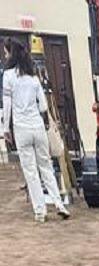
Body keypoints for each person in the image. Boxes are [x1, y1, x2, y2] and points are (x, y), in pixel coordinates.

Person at [1, 39, 70, 222]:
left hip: (21, 128)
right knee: (46, 166)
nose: (5, 56)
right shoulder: (34, 78)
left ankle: (40, 211)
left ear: (11, 55)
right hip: (38, 126)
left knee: (30, 171)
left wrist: (6, 129)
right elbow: (43, 106)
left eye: (6, 52)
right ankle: (59, 204)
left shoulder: (8, 76)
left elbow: (7, 105)